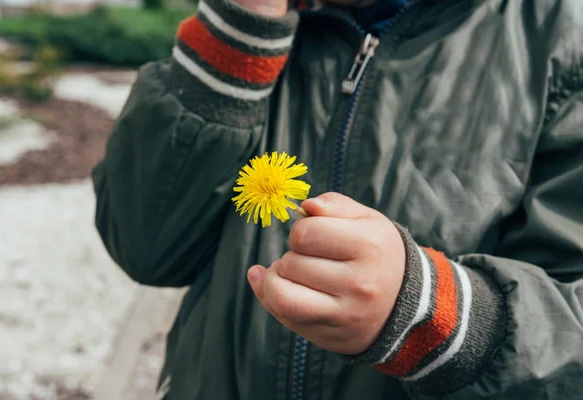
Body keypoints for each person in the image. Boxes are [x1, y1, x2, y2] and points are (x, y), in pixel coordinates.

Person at [92, 0, 583, 398]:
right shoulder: (248, 25)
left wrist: (429, 314)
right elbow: (144, 248)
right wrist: (237, 34)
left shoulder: (559, 40)